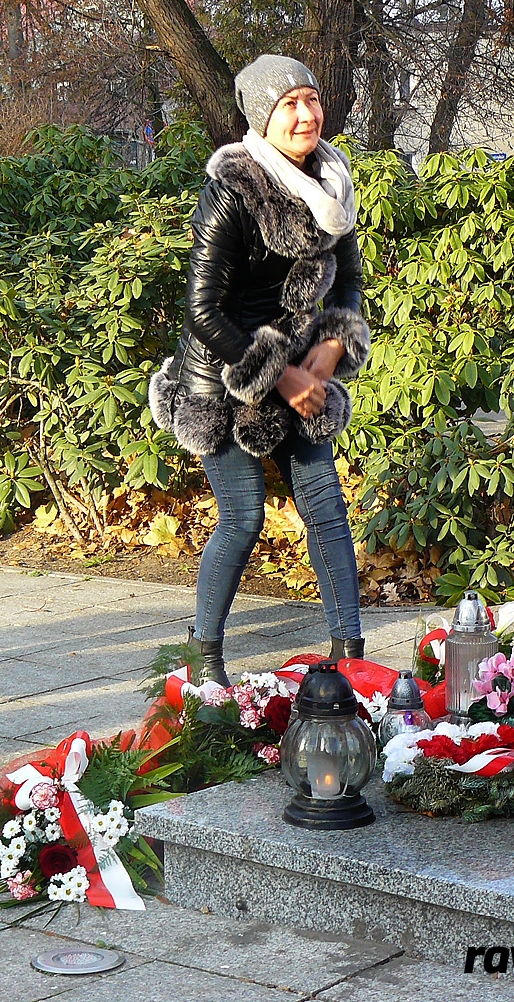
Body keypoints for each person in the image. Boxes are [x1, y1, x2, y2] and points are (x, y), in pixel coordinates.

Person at [149, 55, 370, 684]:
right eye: (287, 104)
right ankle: (204, 657)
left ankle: (350, 658)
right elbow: (203, 310)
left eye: (311, 99)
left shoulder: (333, 185)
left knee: (325, 505)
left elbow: (348, 283)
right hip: (222, 375)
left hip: (300, 368)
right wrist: (283, 375)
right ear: (261, 117)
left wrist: (331, 350)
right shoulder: (232, 190)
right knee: (243, 516)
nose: (305, 115)